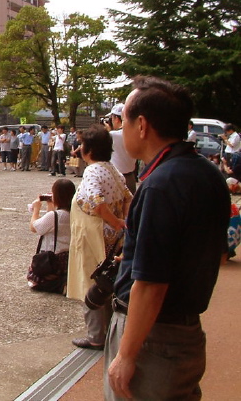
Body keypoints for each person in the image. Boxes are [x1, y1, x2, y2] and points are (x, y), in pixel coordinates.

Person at [105, 76, 230, 400]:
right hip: (185, 331)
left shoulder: (161, 184)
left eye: (126, 122)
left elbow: (150, 283)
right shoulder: (207, 173)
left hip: (152, 338)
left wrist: (127, 354)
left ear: (142, 125)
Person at [67, 124, 132, 351]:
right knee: (107, 283)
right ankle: (109, 331)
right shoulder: (112, 169)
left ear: (90, 150)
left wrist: (114, 221)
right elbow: (128, 197)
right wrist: (122, 222)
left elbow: (96, 200)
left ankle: (96, 335)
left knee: (91, 283)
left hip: (95, 235)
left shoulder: (92, 171)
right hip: (112, 238)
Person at [27, 179, 76, 293]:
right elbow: (50, 225)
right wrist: (51, 207)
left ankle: (59, 285)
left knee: (34, 278)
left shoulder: (56, 215)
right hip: (69, 258)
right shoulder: (73, 213)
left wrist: (36, 210)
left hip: (53, 260)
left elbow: (35, 228)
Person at [106, 103, 138, 194]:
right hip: (131, 177)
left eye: (112, 118)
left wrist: (108, 130)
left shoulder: (112, 135)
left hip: (116, 177)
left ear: (116, 119)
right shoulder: (135, 133)